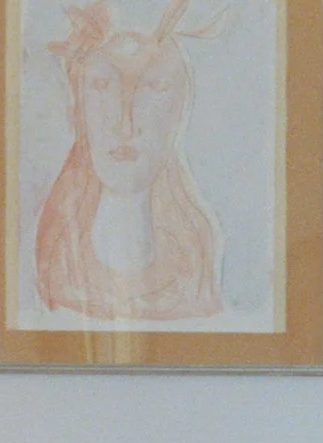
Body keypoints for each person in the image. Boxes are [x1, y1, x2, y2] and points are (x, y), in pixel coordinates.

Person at [37, 0, 225, 321]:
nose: (125, 124)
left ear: (180, 112)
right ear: (78, 109)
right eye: (101, 86)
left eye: (155, 88)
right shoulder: (57, 263)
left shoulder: (194, 271)